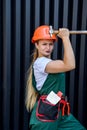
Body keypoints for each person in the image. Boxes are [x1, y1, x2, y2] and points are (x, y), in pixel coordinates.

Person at [25, 25, 86, 130]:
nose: (48, 48)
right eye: (44, 44)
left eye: (51, 44)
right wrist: (66, 38)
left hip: (60, 111)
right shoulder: (40, 63)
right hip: (46, 114)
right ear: (36, 45)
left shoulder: (50, 63)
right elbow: (70, 64)